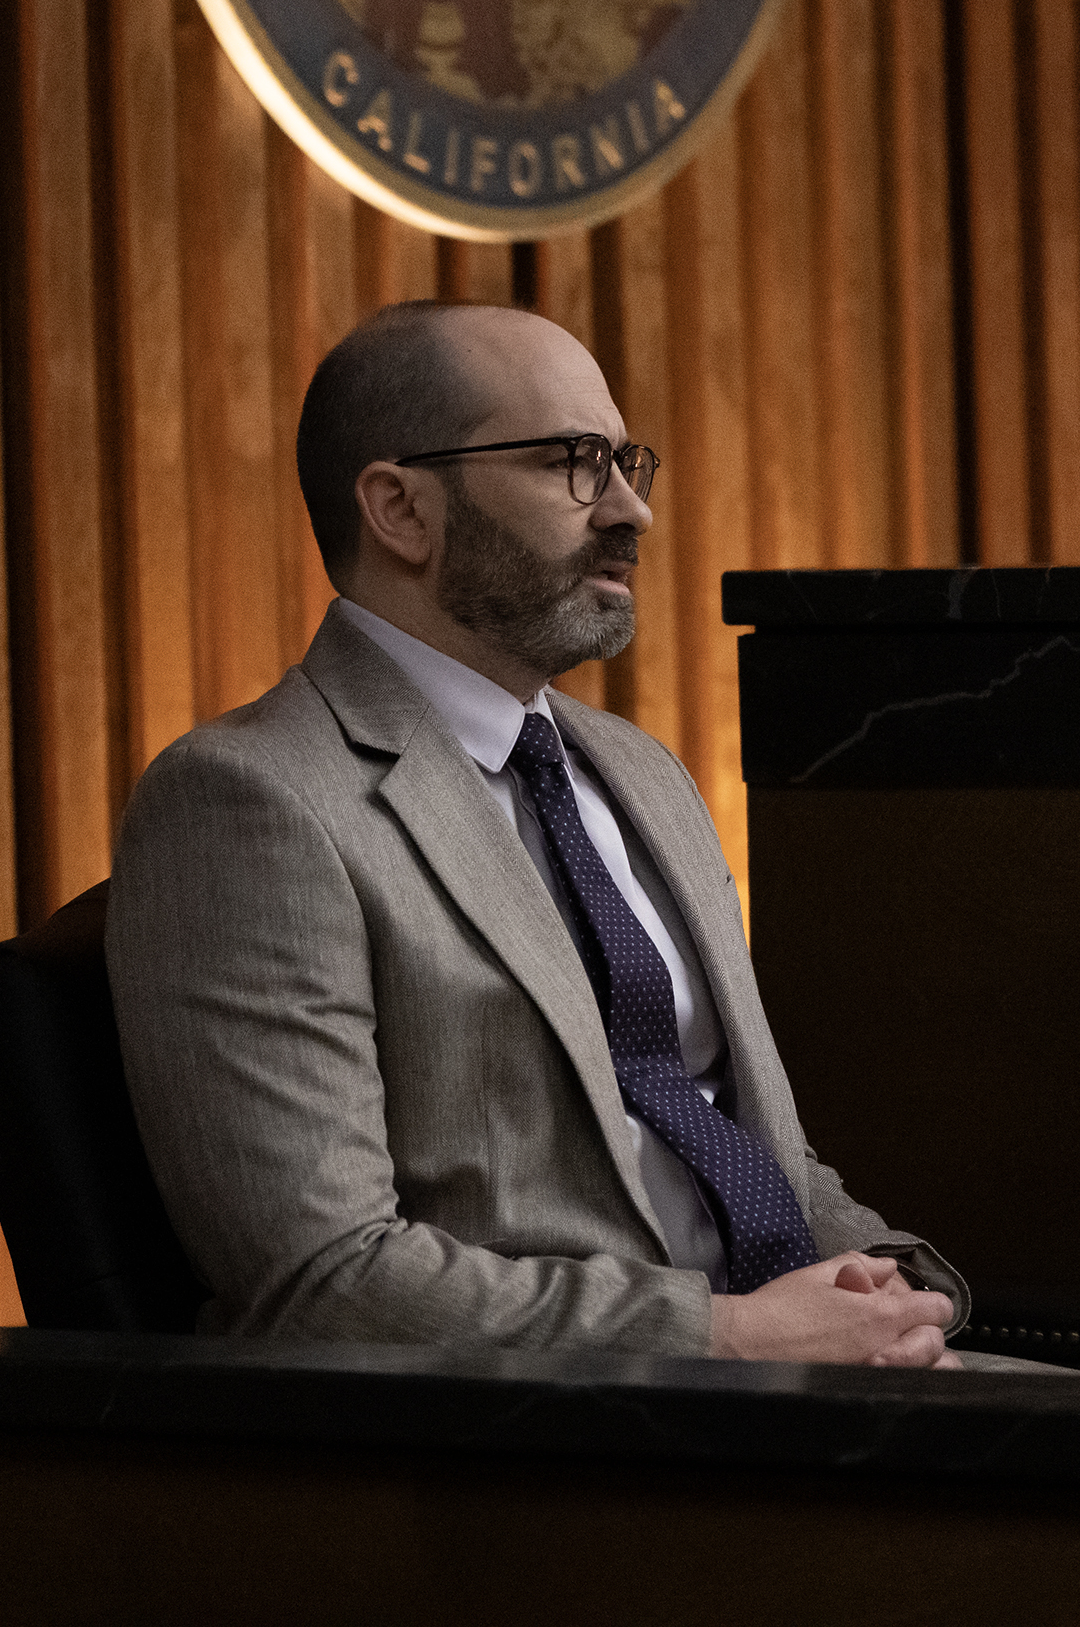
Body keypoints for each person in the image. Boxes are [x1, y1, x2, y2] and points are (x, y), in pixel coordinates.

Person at [108, 301, 973, 1369]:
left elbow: (747, 1143)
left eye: (626, 462)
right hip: (560, 1431)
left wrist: (895, 1291)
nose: (631, 509)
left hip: (825, 1385)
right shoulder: (249, 800)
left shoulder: (644, 772)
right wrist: (732, 1332)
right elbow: (325, 1279)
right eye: (573, 461)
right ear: (401, 509)